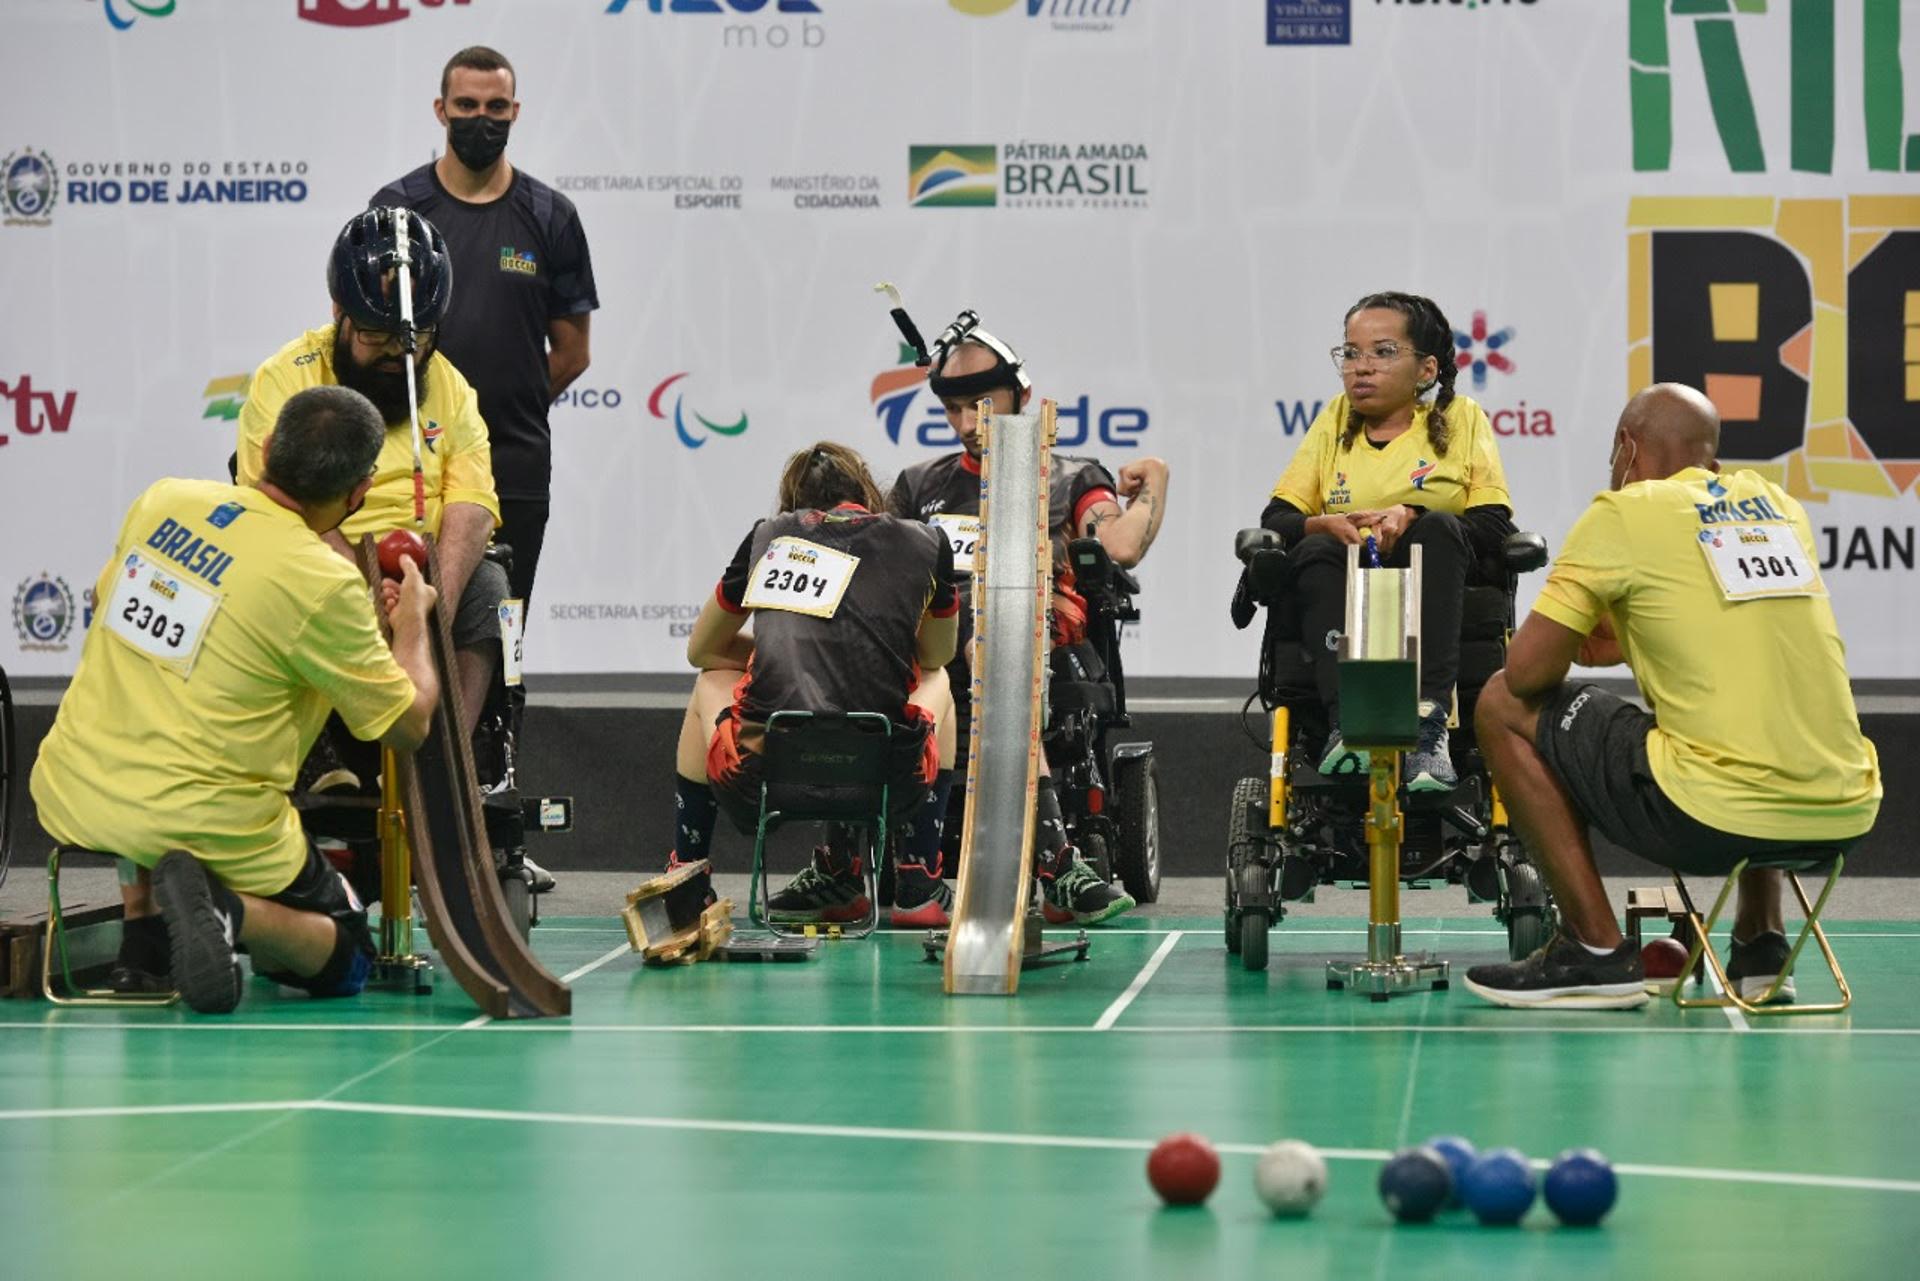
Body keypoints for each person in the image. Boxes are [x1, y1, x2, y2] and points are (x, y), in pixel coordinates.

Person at [1465, 383, 1881, 1009]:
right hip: (1844, 815)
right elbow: (1731, 640)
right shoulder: (1778, 507)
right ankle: (1761, 943)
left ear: (1626, 449)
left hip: (1710, 819)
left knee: (1499, 705)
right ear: (1710, 461)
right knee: (1736, 709)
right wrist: (1635, 638)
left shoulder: (1623, 513)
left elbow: (1527, 675)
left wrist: (1582, 634)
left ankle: (1595, 952)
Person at [30, 386, 440, 1014]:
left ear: (267, 448)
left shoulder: (162, 502)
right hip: (207, 824)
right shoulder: (324, 581)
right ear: (358, 492)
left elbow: (101, 604)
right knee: (351, 955)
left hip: (76, 791)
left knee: (155, 713)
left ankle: (151, 936)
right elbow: (408, 723)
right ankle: (227, 910)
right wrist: (413, 622)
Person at [888, 324, 1168, 926]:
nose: (968, 424)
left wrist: (1155, 487)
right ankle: (854, 867)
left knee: (997, 647)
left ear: (1021, 394)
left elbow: (1119, 546)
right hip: (935, 640)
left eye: (982, 405)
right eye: (954, 409)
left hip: (1031, 633)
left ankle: (1057, 864)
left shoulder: (1072, 478)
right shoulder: (918, 488)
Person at [666, 443, 963, 929]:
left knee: (710, 681)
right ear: (867, 492)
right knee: (940, 681)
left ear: (794, 501)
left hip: (766, 775)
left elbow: (701, 649)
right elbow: (934, 655)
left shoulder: (768, 537)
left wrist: (767, 652)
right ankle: (918, 881)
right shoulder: (925, 542)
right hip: (884, 774)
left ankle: (687, 878)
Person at [236, 207, 505, 743]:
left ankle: (448, 750)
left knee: (491, 587)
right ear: (340, 311)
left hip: (420, 569)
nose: (397, 353)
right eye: (377, 335)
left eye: (416, 336)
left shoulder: (449, 387)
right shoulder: (286, 377)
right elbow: (279, 506)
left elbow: (473, 506)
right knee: (283, 579)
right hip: (325, 553)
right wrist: (365, 598)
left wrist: (431, 612)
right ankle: (316, 755)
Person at [371, 45, 598, 610]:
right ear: (440, 109)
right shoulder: (397, 212)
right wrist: (437, 420)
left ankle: (504, 704)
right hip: (411, 464)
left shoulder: (552, 216)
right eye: (466, 104)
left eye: (496, 107)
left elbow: (572, 354)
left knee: (504, 629)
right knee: (402, 623)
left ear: (515, 112)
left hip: (513, 462)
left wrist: (487, 413)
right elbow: (364, 337)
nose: (481, 119)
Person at [1261, 290, 1516, 791]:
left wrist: (1414, 513)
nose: (1361, 367)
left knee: (1440, 529)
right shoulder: (1335, 420)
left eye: (1382, 352)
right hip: (1346, 580)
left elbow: (1493, 526)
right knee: (1314, 547)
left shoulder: (1463, 419)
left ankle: (1427, 727)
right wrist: (1322, 524)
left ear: (1426, 370)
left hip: (1436, 583)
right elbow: (1279, 517)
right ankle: (1345, 725)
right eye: (1351, 353)